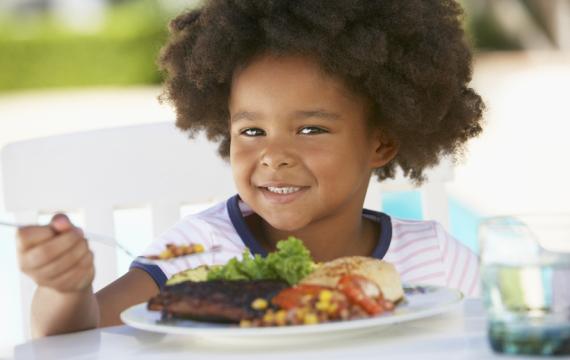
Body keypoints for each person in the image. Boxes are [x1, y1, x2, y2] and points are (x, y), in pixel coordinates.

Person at [16, 0, 485, 337]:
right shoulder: (196, 254)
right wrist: (66, 290)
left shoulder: (435, 259)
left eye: (311, 130)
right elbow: (76, 338)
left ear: (381, 142)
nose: (273, 155)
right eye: (253, 132)